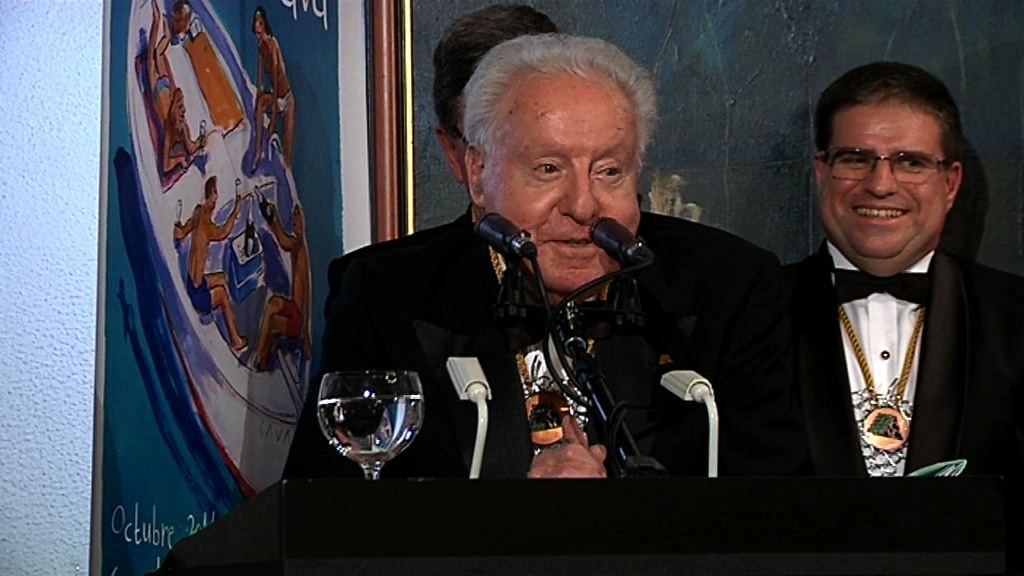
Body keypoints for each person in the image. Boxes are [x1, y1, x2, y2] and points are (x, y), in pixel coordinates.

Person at [283, 33, 808, 480]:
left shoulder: (729, 288)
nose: (583, 206)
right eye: (548, 169)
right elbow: (327, 514)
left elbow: (778, 511)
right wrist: (519, 521)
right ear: (477, 173)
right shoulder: (386, 297)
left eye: (609, 171)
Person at [786, 61, 1024, 479]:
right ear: (822, 172)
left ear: (950, 185)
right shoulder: (756, 312)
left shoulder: (1016, 317)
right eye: (855, 159)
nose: (880, 185)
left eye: (911, 162)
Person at [320, 5, 559, 320]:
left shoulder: (629, 262)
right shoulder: (379, 292)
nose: (579, 204)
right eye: (489, 141)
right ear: (455, 154)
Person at [173, 176, 248, 353]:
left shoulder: (198, 212)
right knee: (222, 294)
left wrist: (179, 230)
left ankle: (229, 314)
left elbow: (183, 232)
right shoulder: (208, 227)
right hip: (198, 296)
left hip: (193, 282)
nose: (217, 197)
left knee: (221, 278)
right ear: (209, 196)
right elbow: (223, 232)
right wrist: (235, 212)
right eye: (215, 193)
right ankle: (235, 340)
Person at [147, 0, 204, 175]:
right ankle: (158, 20)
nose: (184, 114)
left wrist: (199, 143)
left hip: (162, 89)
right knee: (154, 55)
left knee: (156, 55)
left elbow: (191, 148)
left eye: (182, 111)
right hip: (160, 88)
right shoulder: (171, 128)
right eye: (182, 111)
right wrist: (179, 160)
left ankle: (160, 23)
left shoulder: (179, 125)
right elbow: (165, 166)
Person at [254, 203, 312, 371]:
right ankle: (260, 353)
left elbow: (283, 240)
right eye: (294, 223)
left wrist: (275, 218)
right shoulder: (298, 246)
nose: (295, 226)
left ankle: (262, 359)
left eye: (298, 223)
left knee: (273, 324)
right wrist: (272, 222)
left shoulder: (299, 246)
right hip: (293, 308)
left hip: (297, 318)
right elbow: (283, 239)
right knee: (273, 303)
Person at [252, 6, 295, 170]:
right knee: (260, 104)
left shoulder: (272, 44)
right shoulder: (261, 48)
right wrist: (258, 101)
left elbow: (277, 78)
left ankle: (286, 171)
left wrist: (274, 120)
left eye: (260, 23)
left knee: (287, 158)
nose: (257, 27)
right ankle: (259, 151)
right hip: (276, 97)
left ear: (265, 25)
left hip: (286, 98)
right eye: (256, 23)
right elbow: (261, 78)